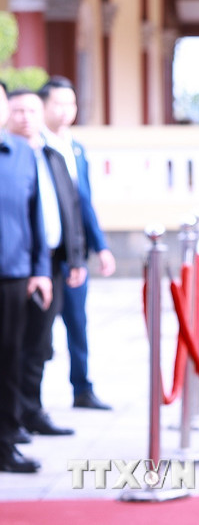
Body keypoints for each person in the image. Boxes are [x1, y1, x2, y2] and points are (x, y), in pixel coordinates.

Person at [5, 90, 86, 439]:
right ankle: (13, 415)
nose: (25, 117)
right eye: (18, 110)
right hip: (14, 265)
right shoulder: (9, 156)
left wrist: (76, 256)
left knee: (39, 343)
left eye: (32, 110)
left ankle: (32, 409)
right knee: (14, 343)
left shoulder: (53, 155)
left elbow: (72, 206)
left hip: (50, 262)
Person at [40, 76, 115, 411]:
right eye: (58, 103)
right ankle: (31, 403)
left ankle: (82, 388)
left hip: (74, 254)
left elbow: (84, 202)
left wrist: (100, 247)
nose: (66, 110)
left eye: (70, 103)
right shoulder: (35, 147)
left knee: (78, 325)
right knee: (38, 333)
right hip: (43, 256)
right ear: (44, 106)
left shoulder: (76, 148)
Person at [0, 82, 52, 473]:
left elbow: (36, 219)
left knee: (9, 362)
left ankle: (6, 444)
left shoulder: (21, 154)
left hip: (13, 277)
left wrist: (41, 272)